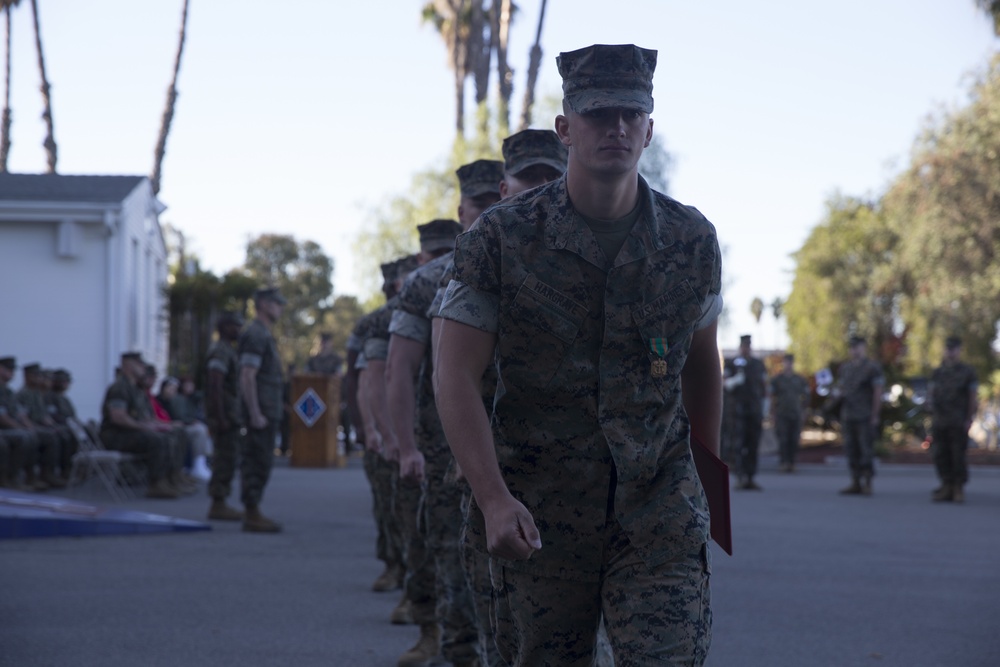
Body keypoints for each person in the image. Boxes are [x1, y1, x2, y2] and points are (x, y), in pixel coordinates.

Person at [435, 44, 722, 666]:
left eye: (630, 113)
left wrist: (707, 477)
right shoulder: (502, 238)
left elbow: (703, 363)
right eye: (597, 115)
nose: (615, 128)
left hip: (657, 510)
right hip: (538, 511)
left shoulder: (691, 239)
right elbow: (453, 372)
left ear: (649, 126)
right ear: (565, 128)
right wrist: (491, 497)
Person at [429, 127, 568, 667]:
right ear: (506, 189)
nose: (537, 190)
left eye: (548, 178)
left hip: (579, 478)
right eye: (525, 179)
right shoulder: (475, 263)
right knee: (504, 627)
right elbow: (447, 372)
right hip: (496, 467)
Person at [385, 215, 480, 667]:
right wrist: (404, 445)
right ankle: (442, 640)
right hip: (443, 449)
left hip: (529, 448)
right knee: (445, 552)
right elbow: (397, 370)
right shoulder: (424, 283)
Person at [99, 352, 180, 499]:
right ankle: (155, 484)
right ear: (129, 365)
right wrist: (144, 427)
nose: (143, 368)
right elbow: (118, 417)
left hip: (129, 433)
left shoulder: (136, 389)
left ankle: (169, 478)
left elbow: (145, 417)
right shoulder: (120, 388)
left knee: (168, 435)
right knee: (156, 439)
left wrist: (155, 425)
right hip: (115, 435)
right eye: (140, 364)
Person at [238, 287, 286, 533]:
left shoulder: (263, 334)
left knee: (262, 460)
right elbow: (248, 375)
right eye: (277, 304)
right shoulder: (256, 334)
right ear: (265, 304)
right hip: (261, 413)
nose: (281, 308)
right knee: (257, 461)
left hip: (267, 410)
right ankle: (252, 512)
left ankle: (253, 509)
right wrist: (255, 412)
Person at [927, 336, 978, 503]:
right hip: (940, 420)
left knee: (957, 454)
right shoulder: (938, 371)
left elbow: (972, 397)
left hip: (957, 420)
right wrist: (930, 408)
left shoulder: (967, 372)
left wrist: (969, 418)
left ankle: (958, 488)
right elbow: (932, 393)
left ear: (959, 350)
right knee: (940, 454)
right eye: (948, 349)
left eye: (954, 349)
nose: (950, 352)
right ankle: (946, 485)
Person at [205, 311, 245, 521]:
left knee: (229, 458)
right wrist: (219, 416)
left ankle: (220, 501)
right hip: (225, 416)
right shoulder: (220, 350)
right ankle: (218, 503)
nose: (238, 330)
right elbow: (215, 384)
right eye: (235, 326)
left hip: (231, 414)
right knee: (224, 459)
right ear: (224, 327)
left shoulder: (229, 350)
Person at [833, 336, 883, 496]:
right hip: (848, 415)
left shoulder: (872, 368)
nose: (855, 350)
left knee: (865, 449)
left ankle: (867, 482)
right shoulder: (846, 368)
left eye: (858, 347)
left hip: (865, 415)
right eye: (853, 347)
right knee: (851, 449)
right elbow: (842, 389)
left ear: (864, 348)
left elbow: (877, 392)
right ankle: (855, 481)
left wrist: (875, 415)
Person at [723, 335, 768, 490]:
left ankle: (750, 477)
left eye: (748, 345)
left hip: (754, 411)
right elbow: (725, 383)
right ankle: (740, 477)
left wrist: (765, 407)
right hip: (737, 412)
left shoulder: (758, 364)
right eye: (743, 345)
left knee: (753, 444)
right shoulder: (732, 363)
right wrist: (735, 380)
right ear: (740, 346)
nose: (746, 348)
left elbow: (763, 387)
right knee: (738, 444)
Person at [0, 356, 44, 491]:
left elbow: (20, 413)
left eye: (13, 370)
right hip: (4, 429)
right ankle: (8, 479)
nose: (12, 373)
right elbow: (2, 416)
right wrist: (19, 427)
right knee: (23, 437)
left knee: (31, 435)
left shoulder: (8, 391)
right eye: (9, 370)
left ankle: (26, 477)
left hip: (9, 429)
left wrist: (28, 427)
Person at [769, 353, 810, 473]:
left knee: (794, 439)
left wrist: (804, 411)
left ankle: (791, 462)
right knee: (783, 439)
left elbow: (806, 396)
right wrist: (772, 413)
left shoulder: (799, 379)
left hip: (796, 413)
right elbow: (772, 397)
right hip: (782, 413)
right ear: (783, 363)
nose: (788, 365)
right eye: (786, 362)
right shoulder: (777, 379)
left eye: (790, 362)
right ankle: (783, 462)